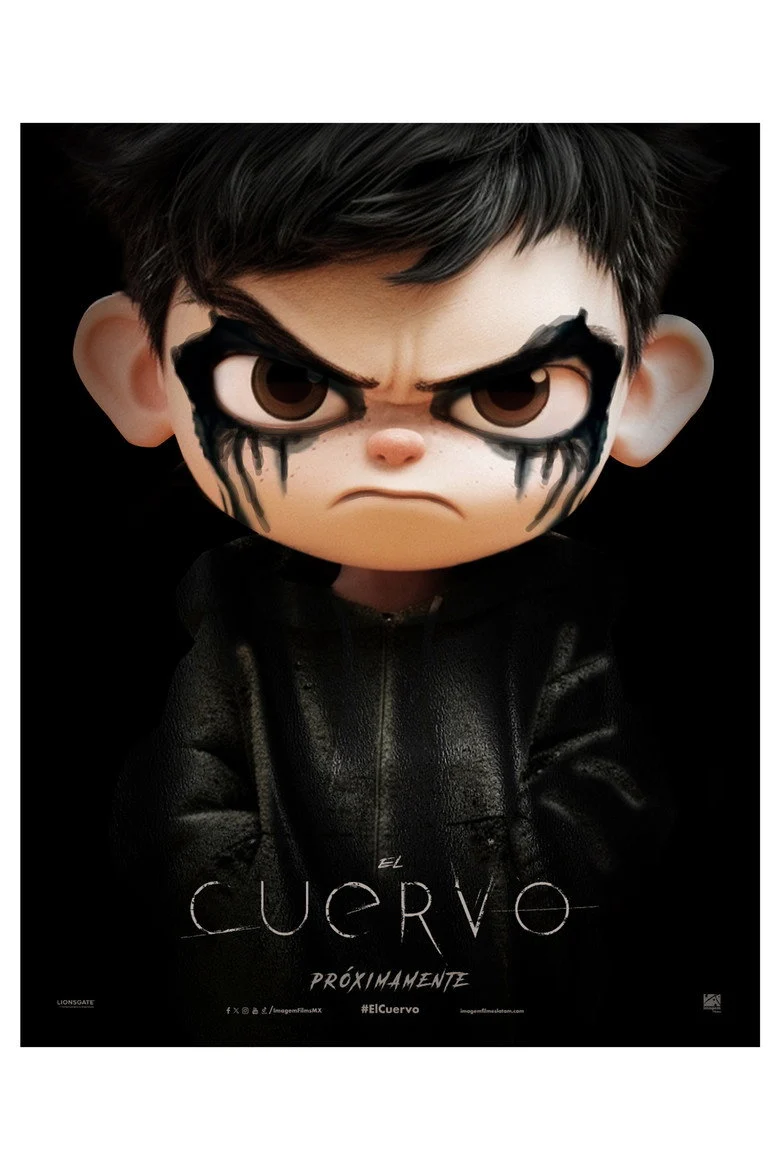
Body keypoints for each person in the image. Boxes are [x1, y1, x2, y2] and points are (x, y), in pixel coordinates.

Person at [71, 124, 714, 1043]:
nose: (397, 447)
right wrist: (253, 922)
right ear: (141, 378)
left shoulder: (559, 623)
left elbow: (609, 795)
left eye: (513, 393)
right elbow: (179, 802)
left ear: (645, 395)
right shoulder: (237, 621)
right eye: (286, 386)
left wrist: (509, 896)